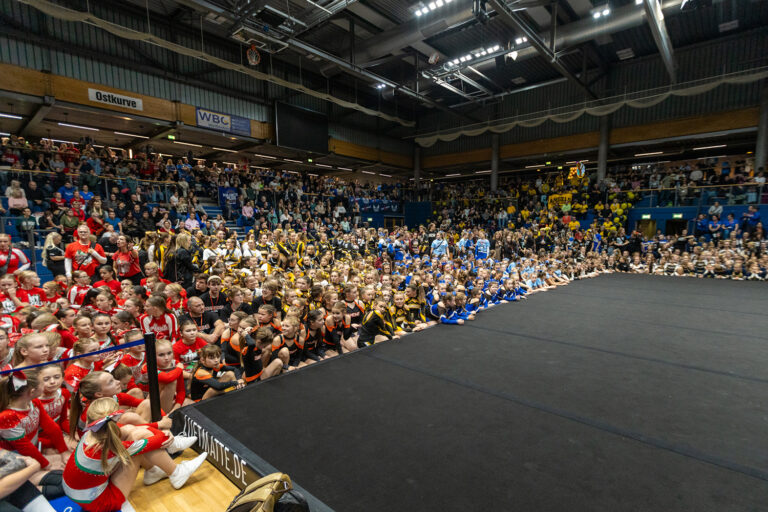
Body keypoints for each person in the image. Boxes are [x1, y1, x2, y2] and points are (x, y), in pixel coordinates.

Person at [62, 397, 207, 511]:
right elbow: (148, 441)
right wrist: (166, 436)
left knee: (132, 430)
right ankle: (177, 473)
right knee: (139, 439)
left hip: (84, 494)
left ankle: (154, 471)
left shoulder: (93, 432)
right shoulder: (104, 447)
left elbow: (129, 428)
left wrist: (160, 429)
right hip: (101, 503)